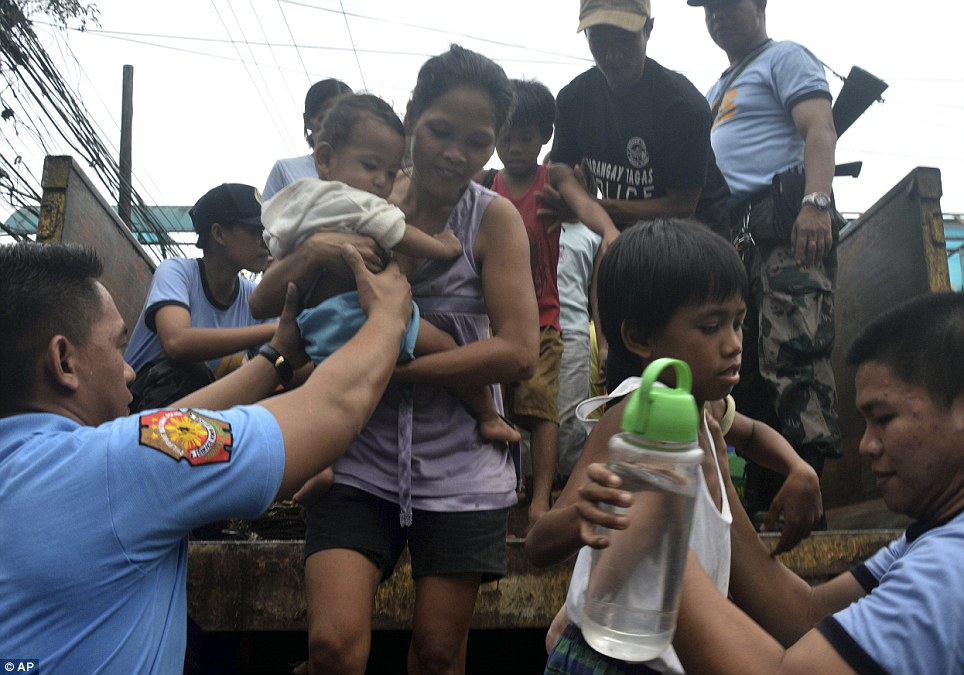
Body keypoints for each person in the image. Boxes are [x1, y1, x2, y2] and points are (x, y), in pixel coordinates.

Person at [252, 45, 540, 674]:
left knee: (439, 654)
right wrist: (312, 255)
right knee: (331, 646)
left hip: (462, 469)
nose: (457, 154)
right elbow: (274, 306)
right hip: (355, 457)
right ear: (412, 118)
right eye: (440, 131)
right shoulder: (358, 195)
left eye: (477, 142)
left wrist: (394, 366)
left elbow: (519, 351)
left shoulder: (494, 222)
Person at [0, 240, 413, 673]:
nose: (130, 371)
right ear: (64, 361)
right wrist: (389, 318)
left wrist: (277, 356)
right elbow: (332, 408)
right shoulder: (117, 468)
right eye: (118, 347)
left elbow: (171, 429)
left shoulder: (48, 469)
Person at [525, 219, 823, 674]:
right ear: (640, 338)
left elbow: (755, 434)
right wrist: (582, 515)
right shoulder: (632, 414)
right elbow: (538, 544)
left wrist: (799, 468)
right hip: (609, 660)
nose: (733, 345)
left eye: (739, 323)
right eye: (710, 327)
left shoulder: (706, 410)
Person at [668, 291, 964, 674]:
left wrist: (660, 531)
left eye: (885, 418)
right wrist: (718, 484)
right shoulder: (924, 540)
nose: (866, 445)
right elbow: (804, 614)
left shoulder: (948, 568)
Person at [255, 92, 519, 502]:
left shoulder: (298, 201)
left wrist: (306, 253)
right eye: (371, 167)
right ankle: (487, 415)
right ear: (325, 158)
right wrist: (445, 248)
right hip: (366, 318)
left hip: (316, 328)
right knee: (447, 345)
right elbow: (400, 234)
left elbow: (269, 275)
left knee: (328, 397)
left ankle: (320, 463)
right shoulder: (362, 204)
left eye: (389, 170)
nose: (381, 180)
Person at [689, 0, 842, 521]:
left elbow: (819, 128)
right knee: (744, 371)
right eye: (707, 9)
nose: (716, 16)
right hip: (734, 240)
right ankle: (762, 495)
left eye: (727, 5)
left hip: (785, 231)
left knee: (793, 354)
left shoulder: (785, 57)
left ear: (759, 6)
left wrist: (816, 204)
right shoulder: (717, 88)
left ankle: (808, 489)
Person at [485, 78, 620, 526]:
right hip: (494, 321)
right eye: (505, 137)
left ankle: (542, 496)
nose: (514, 147)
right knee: (500, 408)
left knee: (543, 409)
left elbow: (588, 207)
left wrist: (609, 233)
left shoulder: (553, 178)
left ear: (544, 136)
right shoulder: (486, 185)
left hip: (545, 318)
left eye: (525, 137)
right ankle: (508, 488)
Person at [542, 0, 731, 267]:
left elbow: (681, 205)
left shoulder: (683, 106)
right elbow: (560, 172)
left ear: (648, 29)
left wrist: (589, 207)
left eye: (624, 37)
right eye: (598, 38)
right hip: (622, 239)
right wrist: (571, 197)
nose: (612, 53)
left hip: (694, 241)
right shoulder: (574, 99)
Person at [123, 183, 276, 410]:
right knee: (188, 371)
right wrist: (274, 332)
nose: (265, 242)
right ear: (218, 233)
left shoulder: (253, 296)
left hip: (196, 423)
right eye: (256, 231)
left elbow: (291, 366)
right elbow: (177, 342)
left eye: (267, 233)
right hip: (137, 407)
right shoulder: (177, 272)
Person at [555, 220, 603, 481]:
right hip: (532, 328)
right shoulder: (527, 219)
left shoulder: (593, 233)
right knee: (528, 416)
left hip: (574, 331)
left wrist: (603, 346)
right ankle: (530, 490)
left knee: (571, 422)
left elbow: (596, 294)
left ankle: (572, 489)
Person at [262, 77, 353, 200]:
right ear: (308, 121)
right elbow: (265, 216)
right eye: (328, 116)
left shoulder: (364, 173)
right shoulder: (285, 169)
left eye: (347, 116)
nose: (339, 124)